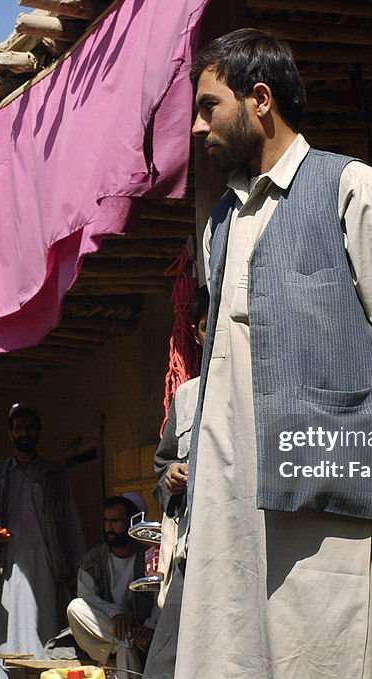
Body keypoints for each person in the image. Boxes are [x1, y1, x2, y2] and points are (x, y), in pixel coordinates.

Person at [177, 29, 372, 677]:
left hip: (324, 504)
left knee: (331, 655)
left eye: (209, 105)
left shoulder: (351, 188)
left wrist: (363, 438)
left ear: (260, 99)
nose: (196, 126)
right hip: (235, 517)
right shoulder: (223, 222)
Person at [0, 403, 86, 679]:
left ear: (38, 432)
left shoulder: (54, 474)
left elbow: (71, 522)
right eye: (19, 429)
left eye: (29, 428)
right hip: (8, 569)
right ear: (10, 434)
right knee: (8, 637)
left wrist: (78, 570)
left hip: (48, 569)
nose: (24, 433)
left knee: (47, 634)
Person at [142, 285, 208, 679]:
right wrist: (171, 477)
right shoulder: (185, 397)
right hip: (192, 551)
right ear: (197, 333)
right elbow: (161, 465)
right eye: (203, 326)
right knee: (164, 665)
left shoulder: (261, 389)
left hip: (246, 552)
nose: (210, 331)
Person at [66, 496, 158, 676]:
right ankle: (126, 638)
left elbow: (161, 599)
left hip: (140, 633)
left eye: (115, 521)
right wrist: (114, 612)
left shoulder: (149, 556)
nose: (109, 528)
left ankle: (125, 640)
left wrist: (150, 626)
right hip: (103, 633)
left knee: (124, 645)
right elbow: (87, 599)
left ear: (133, 522)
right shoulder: (92, 560)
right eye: (106, 521)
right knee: (75, 607)